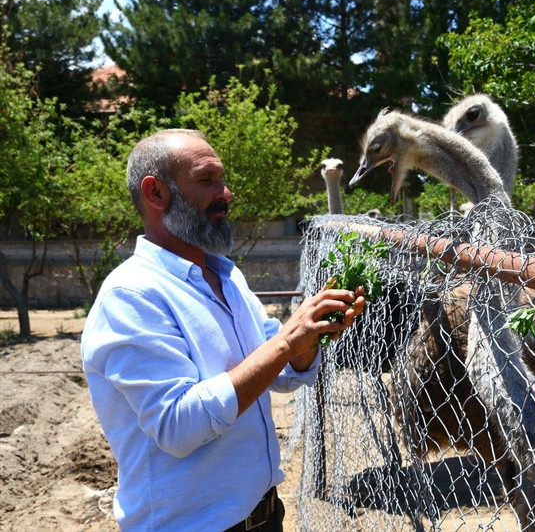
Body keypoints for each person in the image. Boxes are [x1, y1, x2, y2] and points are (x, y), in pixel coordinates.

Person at [81, 128, 365, 531]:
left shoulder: (224, 276)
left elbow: (279, 371)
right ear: (156, 193)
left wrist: (311, 332)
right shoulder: (131, 296)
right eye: (206, 179)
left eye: (222, 179)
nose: (226, 193)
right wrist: (287, 341)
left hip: (264, 516)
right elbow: (178, 427)